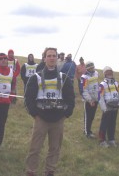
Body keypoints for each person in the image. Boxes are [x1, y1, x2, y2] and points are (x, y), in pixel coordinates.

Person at [24, 47, 75, 176]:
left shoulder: (64, 78)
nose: (52, 58)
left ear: (57, 58)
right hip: (41, 118)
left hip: (58, 119)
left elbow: (71, 97)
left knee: (55, 148)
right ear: (44, 58)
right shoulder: (35, 77)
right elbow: (28, 98)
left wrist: (66, 114)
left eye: (54, 55)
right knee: (35, 147)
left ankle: (50, 170)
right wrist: (34, 114)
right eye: (49, 55)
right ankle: (31, 171)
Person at [98, 66, 119, 147]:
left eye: (111, 72)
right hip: (107, 108)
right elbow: (100, 97)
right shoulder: (102, 85)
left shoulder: (116, 83)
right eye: (107, 72)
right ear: (104, 74)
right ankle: (102, 141)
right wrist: (104, 108)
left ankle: (111, 139)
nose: (109, 73)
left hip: (115, 107)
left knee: (112, 124)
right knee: (104, 124)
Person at [80, 61, 99, 139]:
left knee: (92, 116)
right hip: (89, 100)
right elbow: (84, 90)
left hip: (96, 99)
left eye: (93, 67)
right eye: (90, 68)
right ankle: (87, 132)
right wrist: (89, 100)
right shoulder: (84, 77)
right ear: (87, 68)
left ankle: (88, 129)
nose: (92, 69)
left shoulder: (96, 73)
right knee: (88, 116)